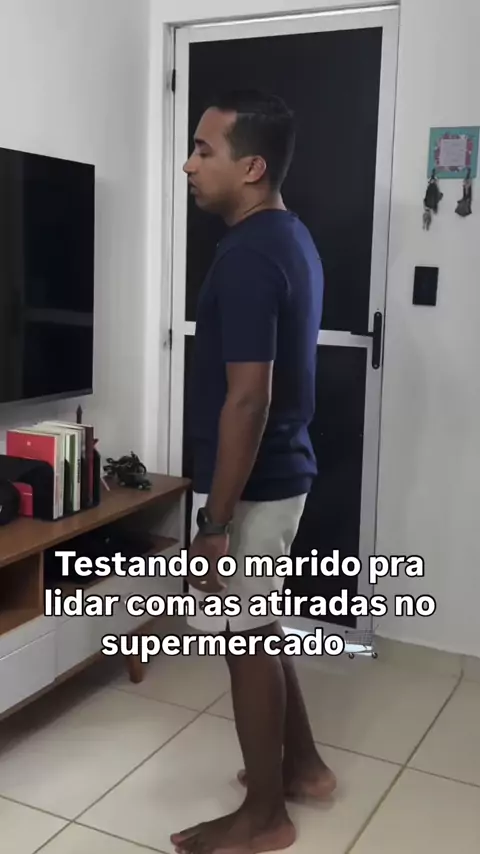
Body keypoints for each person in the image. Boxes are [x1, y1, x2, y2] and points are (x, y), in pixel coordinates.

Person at [171, 90, 336, 854]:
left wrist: (214, 523)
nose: (189, 164)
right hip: (279, 475)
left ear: (252, 167)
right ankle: (303, 769)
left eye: (205, 150)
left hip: (253, 485)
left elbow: (248, 399)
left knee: (245, 642)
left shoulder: (245, 256)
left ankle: (265, 817)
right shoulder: (288, 235)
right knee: (259, 624)